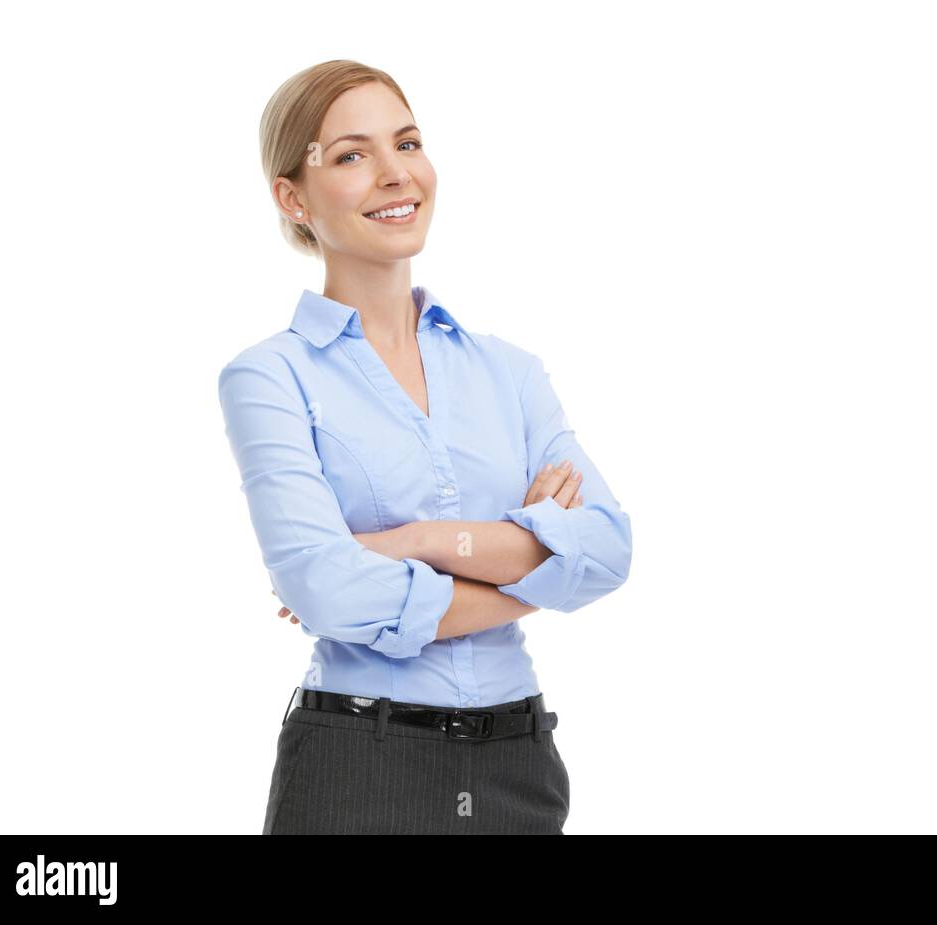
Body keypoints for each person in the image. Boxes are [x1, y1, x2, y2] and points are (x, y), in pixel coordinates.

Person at [217, 60, 633, 834]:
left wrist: (412, 542)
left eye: (406, 142)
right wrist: (534, 567)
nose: (393, 173)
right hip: (358, 763)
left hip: (519, 763)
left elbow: (607, 550)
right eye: (349, 155)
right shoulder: (268, 376)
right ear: (292, 196)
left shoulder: (509, 371)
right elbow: (327, 589)